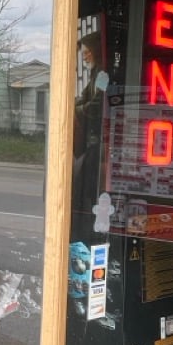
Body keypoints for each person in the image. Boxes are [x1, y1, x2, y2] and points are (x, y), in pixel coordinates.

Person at [73, 30, 108, 231]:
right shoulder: (95, 74)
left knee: (89, 186)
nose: (85, 56)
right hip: (91, 141)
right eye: (83, 53)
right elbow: (85, 97)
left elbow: (95, 105)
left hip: (96, 141)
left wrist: (76, 110)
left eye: (87, 52)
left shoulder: (102, 74)